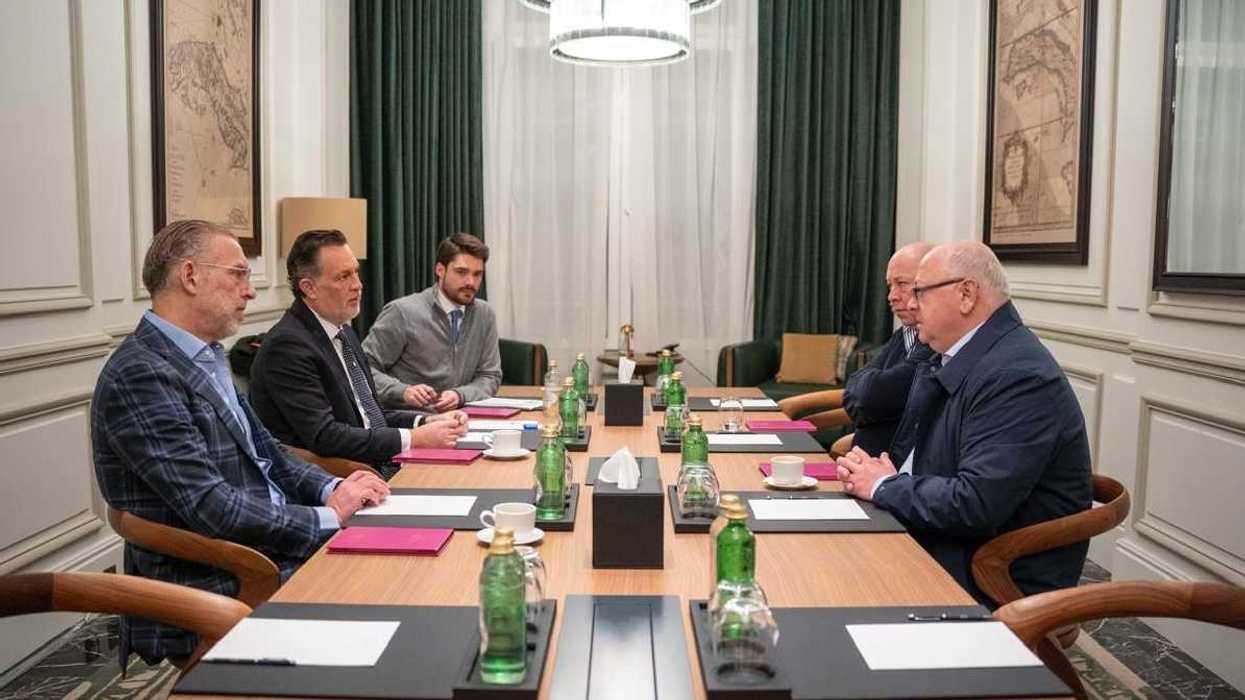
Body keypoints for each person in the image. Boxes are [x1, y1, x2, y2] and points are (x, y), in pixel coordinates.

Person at [92, 220, 390, 662]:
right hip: (225, 573)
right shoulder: (143, 373)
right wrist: (325, 518)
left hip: (266, 543)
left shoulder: (205, 354)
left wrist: (332, 488)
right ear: (190, 276)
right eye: (239, 274)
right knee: (397, 595)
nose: (250, 291)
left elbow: (268, 451)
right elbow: (211, 506)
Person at [836, 241, 1092, 604]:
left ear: (967, 295)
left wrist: (883, 486)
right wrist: (880, 472)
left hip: (986, 572)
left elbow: (975, 503)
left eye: (920, 292)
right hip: (943, 541)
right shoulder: (955, 353)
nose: (909, 303)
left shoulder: (1017, 376)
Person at [249, 230, 468, 478]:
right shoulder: (288, 346)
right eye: (343, 277)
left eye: (356, 272)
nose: (358, 285)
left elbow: (368, 415)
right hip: (335, 481)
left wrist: (425, 421)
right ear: (309, 288)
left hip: (375, 466)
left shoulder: (344, 332)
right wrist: (413, 438)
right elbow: (325, 436)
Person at [363, 232, 502, 410]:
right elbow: (362, 370)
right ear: (440, 270)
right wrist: (403, 391)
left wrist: (460, 395)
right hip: (408, 421)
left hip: (463, 419)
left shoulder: (485, 315)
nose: (471, 282)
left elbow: (490, 376)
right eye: (461, 272)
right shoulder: (402, 312)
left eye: (477, 274)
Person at [843, 241, 936, 456]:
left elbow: (867, 398)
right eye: (889, 285)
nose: (891, 296)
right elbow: (854, 389)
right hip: (861, 469)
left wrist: (866, 389)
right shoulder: (904, 334)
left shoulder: (937, 341)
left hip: (890, 478)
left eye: (902, 284)